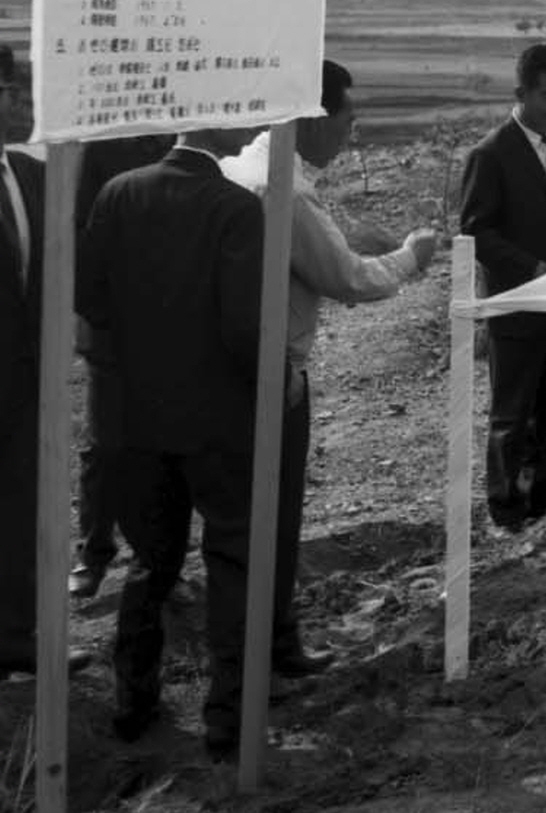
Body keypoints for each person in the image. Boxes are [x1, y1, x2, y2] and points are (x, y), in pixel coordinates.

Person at [221, 61, 440, 674]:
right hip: (273, 374)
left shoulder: (244, 164)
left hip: (228, 364)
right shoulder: (283, 188)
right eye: (348, 117)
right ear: (314, 117)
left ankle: (249, 644)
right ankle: (271, 647)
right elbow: (346, 278)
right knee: (274, 513)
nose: (353, 130)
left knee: (240, 520)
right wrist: (409, 258)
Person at [77, 123, 263, 760]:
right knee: (232, 557)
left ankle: (133, 703)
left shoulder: (119, 194)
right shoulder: (238, 208)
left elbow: (90, 300)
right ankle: (228, 718)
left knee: (150, 561)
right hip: (216, 420)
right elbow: (244, 328)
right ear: (218, 126)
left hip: (137, 418)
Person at [459, 44, 546, 530]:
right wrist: (532, 268)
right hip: (518, 309)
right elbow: (476, 231)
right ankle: (505, 506)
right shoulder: (491, 154)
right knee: (512, 414)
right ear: (521, 93)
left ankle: (541, 491)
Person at [67, 131, 174, 600]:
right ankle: (93, 552)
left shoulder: (182, 136)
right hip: (112, 321)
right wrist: (92, 312)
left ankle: (159, 558)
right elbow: (80, 233)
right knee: (106, 443)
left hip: (173, 320)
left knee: (165, 445)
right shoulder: (106, 138)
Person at [0, 48, 56, 675]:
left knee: (19, 512)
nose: (19, 101)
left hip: (25, 380)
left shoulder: (29, 173)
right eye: (8, 90)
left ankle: (17, 637)